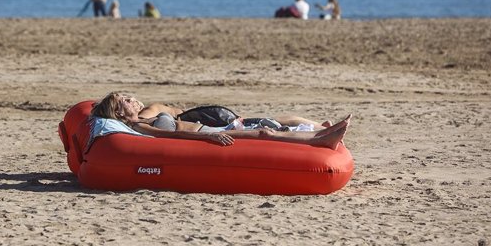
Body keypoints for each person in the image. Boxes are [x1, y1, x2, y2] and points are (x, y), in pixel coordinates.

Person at [91, 92, 350, 150]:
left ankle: (320, 135)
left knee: (265, 130)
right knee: (264, 134)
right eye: (123, 100)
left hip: (213, 128)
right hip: (208, 131)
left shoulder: (144, 117)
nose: (130, 98)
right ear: (120, 113)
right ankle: (321, 140)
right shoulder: (137, 126)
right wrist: (207, 136)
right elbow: (169, 136)